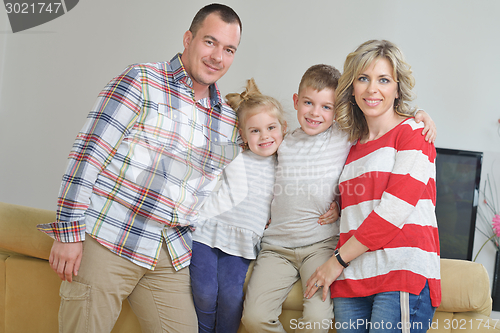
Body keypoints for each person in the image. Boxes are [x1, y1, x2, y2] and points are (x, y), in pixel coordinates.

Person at [37, 4, 242, 333]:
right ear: (188, 39)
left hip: (168, 252)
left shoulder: (228, 119)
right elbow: (88, 152)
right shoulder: (141, 80)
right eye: (210, 42)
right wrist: (69, 233)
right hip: (109, 236)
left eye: (228, 49)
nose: (218, 57)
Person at [304, 40, 440, 333]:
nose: (372, 89)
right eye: (363, 78)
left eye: (384, 80)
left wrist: (336, 261)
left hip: (401, 272)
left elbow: (393, 211)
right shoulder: (350, 145)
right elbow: (359, 203)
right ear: (352, 87)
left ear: (397, 88)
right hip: (353, 279)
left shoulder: (414, 134)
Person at [190, 78, 287, 333]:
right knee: (204, 291)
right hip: (207, 229)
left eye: (270, 128)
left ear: (283, 128)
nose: (264, 136)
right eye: (255, 131)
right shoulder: (233, 155)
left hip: (243, 240)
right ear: (242, 134)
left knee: (232, 297)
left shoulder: (285, 164)